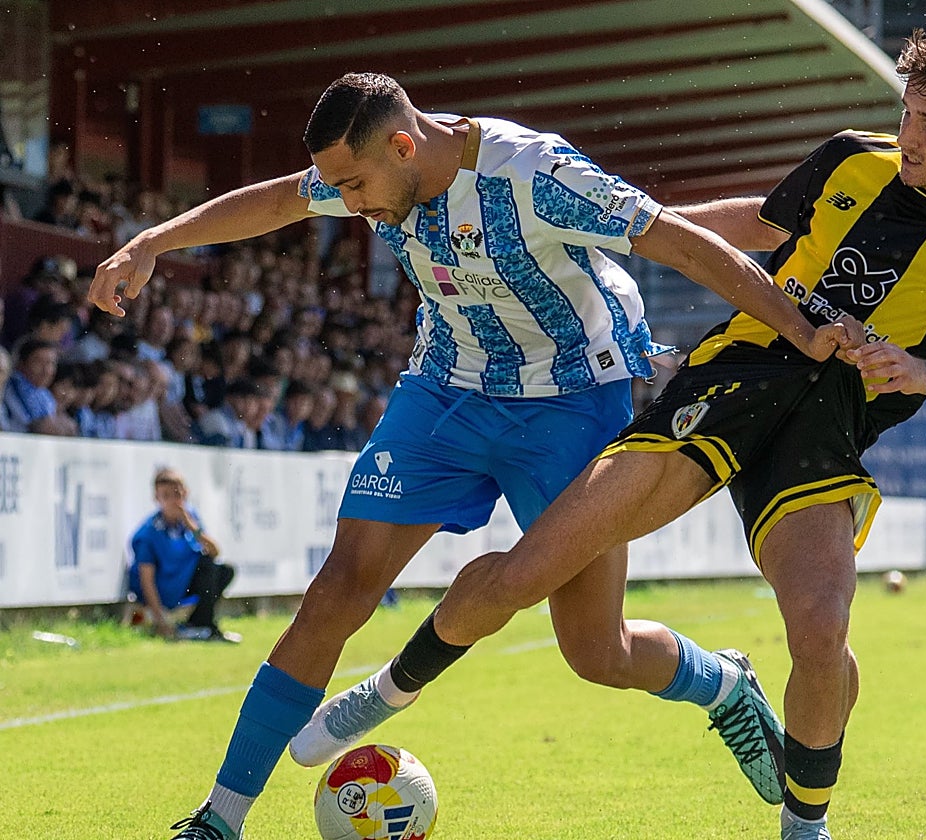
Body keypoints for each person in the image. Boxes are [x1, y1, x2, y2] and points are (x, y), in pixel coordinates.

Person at [298, 25, 926, 840]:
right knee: (530, 570)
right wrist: (627, 231)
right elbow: (760, 224)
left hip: (825, 432)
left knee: (822, 630)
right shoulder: (851, 158)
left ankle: (805, 826)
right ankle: (391, 689)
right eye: (907, 113)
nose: (909, 134)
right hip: (727, 383)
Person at [86, 72, 852, 840]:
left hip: (571, 404)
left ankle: (720, 684)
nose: (348, 203)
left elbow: (680, 241)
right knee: (337, 592)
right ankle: (218, 821)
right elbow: (283, 198)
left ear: (403, 146)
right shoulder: (367, 172)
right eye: (338, 188)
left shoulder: (535, 173)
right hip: (445, 393)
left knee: (596, 650)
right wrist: (152, 242)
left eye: (354, 186)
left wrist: (798, 329)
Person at [128, 468, 240, 643]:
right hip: (164, 592)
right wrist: (160, 621)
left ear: (186, 493)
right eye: (166, 496)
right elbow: (146, 580)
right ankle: (199, 626)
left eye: (177, 494)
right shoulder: (148, 534)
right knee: (208, 566)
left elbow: (215, 552)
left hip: (183, 584)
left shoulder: (190, 518)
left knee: (221, 569)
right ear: (156, 498)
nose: (173, 501)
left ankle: (200, 624)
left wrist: (192, 527)